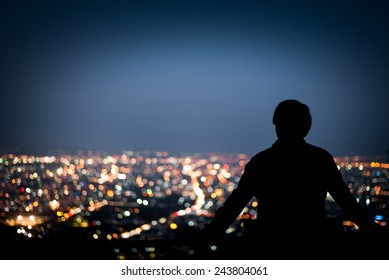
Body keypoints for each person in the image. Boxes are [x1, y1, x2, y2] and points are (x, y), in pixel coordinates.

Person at [199, 99, 379, 258]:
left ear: (277, 125)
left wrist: (210, 233)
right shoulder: (320, 159)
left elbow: (235, 204)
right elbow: (347, 203)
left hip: (269, 245)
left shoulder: (262, 161)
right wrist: (373, 230)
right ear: (306, 127)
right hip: (313, 245)